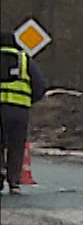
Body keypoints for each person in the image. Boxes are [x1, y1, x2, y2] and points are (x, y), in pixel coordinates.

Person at [0, 36, 48, 194]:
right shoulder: (25, 60)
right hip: (19, 111)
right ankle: (14, 182)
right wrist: (28, 100)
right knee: (16, 146)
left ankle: (0, 173)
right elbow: (40, 86)